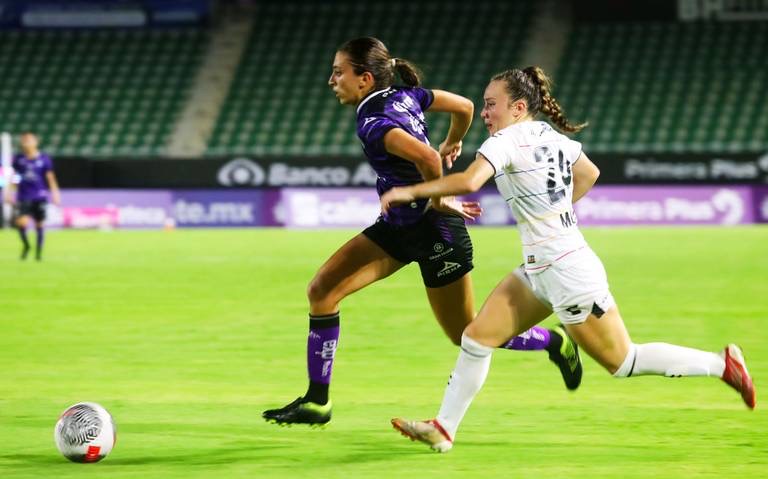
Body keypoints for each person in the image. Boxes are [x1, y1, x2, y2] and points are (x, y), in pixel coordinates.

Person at [382, 66, 757, 452]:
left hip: (565, 270)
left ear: (518, 107)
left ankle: (722, 364)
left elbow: (468, 181)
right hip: (541, 265)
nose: (484, 113)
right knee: (476, 338)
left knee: (624, 361)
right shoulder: (550, 136)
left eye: (491, 104)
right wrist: (555, 211)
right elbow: (589, 173)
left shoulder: (504, 142)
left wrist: (409, 192)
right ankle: (443, 429)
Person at [262, 39, 584, 426]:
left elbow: (429, 158)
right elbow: (464, 107)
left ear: (364, 79)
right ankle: (317, 402)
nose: (332, 80)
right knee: (322, 291)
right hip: (398, 227)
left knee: (466, 333)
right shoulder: (405, 96)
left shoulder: (374, 122)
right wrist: (454, 138)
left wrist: (437, 198)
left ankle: (554, 341)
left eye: (338, 72)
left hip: (437, 232)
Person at [3, 132, 61, 261]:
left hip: (39, 195)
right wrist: (9, 192)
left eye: (29, 140)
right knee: (21, 223)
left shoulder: (44, 159)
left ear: (36, 142)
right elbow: (15, 177)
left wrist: (55, 193)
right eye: (24, 140)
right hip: (23, 196)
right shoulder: (18, 159)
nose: (26, 143)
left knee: (39, 224)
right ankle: (27, 245)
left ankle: (38, 254)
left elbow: (50, 178)